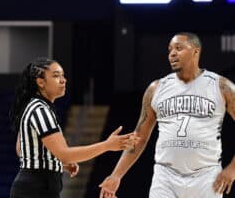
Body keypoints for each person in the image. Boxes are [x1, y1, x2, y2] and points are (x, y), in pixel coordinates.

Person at [99, 32, 235, 198]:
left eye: (179, 48)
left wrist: (233, 169)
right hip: (165, 177)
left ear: (195, 51)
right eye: (170, 49)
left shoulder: (221, 87)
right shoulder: (156, 89)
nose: (172, 53)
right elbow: (139, 138)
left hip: (206, 177)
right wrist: (116, 175)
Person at [8, 57, 140, 198]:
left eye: (63, 75)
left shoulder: (34, 106)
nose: (63, 80)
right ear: (40, 82)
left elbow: (21, 149)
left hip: (34, 186)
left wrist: (56, 163)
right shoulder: (40, 110)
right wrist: (107, 145)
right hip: (36, 189)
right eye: (56, 76)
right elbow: (65, 154)